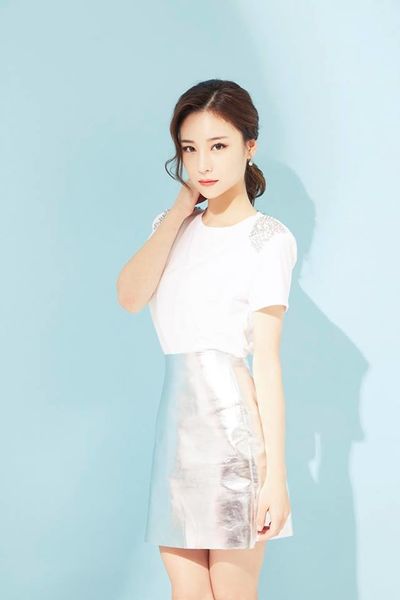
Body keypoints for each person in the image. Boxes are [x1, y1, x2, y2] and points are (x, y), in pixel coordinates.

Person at [117, 79, 297, 599]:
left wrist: (276, 477)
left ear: (249, 146)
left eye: (218, 146)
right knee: (187, 591)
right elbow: (130, 297)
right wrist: (180, 210)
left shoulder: (267, 239)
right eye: (190, 149)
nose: (203, 164)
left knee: (232, 591)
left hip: (234, 434)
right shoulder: (170, 226)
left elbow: (268, 364)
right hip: (176, 434)